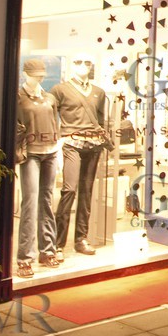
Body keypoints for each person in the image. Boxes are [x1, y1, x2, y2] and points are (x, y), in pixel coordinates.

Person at [50, 55, 108, 255]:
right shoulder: (60, 89)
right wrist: (56, 139)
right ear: (71, 64)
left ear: (91, 65)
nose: (82, 66)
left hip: (93, 145)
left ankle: (81, 239)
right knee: (69, 189)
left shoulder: (99, 92)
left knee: (87, 191)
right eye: (78, 61)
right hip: (71, 143)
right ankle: (58, 242)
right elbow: (50, 116)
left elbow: (102, 119)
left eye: (86, 62)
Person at [14, 59, 60, 276]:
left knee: (47, 200)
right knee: (30, 202)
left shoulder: (49, 98)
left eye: (41, 74)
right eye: (34, 74)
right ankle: (25, 257)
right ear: (25, 74)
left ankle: (48, 249)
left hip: (51, 150)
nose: (39, 78)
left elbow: (55, 124)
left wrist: (58, 149)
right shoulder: (18, 97)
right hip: (31, 152)